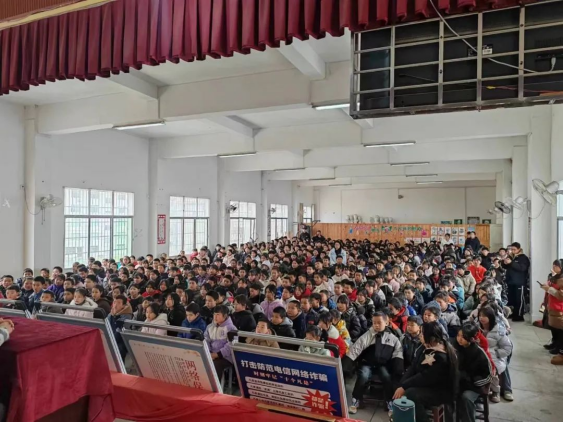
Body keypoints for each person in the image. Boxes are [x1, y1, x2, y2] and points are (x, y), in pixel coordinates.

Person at [393, 322, 459, 423]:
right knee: (399, 386)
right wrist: (402, 385)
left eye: (423, 333)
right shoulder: (424, 347)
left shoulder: (441, 356)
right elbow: (413, 367)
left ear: (432, 338)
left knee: (411, 394)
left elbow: (425, 377)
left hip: (440, 390)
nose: (420, 335)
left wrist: (404, 387)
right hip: (427, 385)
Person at [347, 312, 404, 415]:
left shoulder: (393, 338)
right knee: (363, 375)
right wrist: (346, 364)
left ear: (386, 323)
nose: (376, 325)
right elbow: (356, 349)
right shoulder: (368, 335)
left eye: (379, 322)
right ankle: (356, 400)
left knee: (387, 377)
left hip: (383, 364)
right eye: (374, 323)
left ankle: (389, 402)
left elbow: (398, 353)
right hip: (367, 363)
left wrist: (398, 369)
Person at [455, 322, 494, 423]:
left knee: (466, 397)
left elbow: (489, 375)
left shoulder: (479, 353)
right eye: (458, 335)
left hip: (474, 385)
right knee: (446, 394)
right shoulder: (455, 348)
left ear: (471, 338)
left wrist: (473, 381)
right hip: (459, 382)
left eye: (463, 337)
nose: (459, 339)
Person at [479, 306, 514, 402]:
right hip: (480, 355)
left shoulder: (499, 330)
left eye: (484, 316)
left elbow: (507, 347)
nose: (481, 318)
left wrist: (495, 353)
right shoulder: (477, 328)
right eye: (480, 315)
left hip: (494, 356)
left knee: (495, 368)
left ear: (491, 317)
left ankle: (497, 391)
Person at [540, 260, 563, 365]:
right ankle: (554, 343)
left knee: (559, 329)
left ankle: (559, 348)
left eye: (556, 266)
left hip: (559, 307)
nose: (553, 268)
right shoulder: (554, 277)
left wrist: (549, 289)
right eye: (553, 266)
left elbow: (561, 295)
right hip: (551, 305)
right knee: (553, 326)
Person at [501, 242, 530, 322]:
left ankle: (519, 315)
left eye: (514, 249)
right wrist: (504, 262)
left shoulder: (523, 258)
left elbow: (522, 268)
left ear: (519, 249)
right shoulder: (511, 257)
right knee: (512, 299)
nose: (513, 251)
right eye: (511, 249)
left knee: (519, 299)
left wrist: (511, 263)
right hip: (511, 282)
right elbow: (505, 266)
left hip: (519, 282)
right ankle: (513, 313)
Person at [205, 305, 237, 376]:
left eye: (218, 314)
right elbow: (206, 340)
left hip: (226, 357)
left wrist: (218, 355)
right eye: (214, 314)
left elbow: (231, 345)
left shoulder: (232, 328)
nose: (215, 317)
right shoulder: (209, 327)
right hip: (211, 354)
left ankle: (215, 383)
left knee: (215, 365)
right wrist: (208, 352)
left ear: (225, 316)